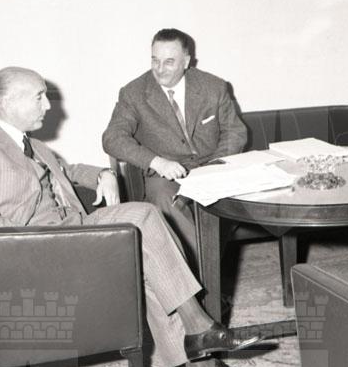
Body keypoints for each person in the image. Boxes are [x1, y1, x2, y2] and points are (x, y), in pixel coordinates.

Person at [0, 66, 263, 367]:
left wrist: (103, 174)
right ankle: (200, 328)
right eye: (39, 97)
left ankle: (200, 365)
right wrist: (34, 240)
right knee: (142, 219)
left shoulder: (31, 144)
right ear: (8, 101)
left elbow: (67, 170)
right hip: (41, 251)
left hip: (72, 230)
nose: (48, 105)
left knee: (148, 244)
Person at [102, 28, 247, 265]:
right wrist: (157, 162)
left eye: (169, 62)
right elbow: (112, 138)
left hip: (213, 167)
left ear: (186, 62)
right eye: (155, 60)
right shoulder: (134, 93)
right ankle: (201, 275)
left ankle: (200, 269)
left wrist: (216, 167)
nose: (160, 69)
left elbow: (235, 132)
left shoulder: (214, 87)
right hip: (166, 175)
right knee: (163, 197)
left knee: (244, 196)